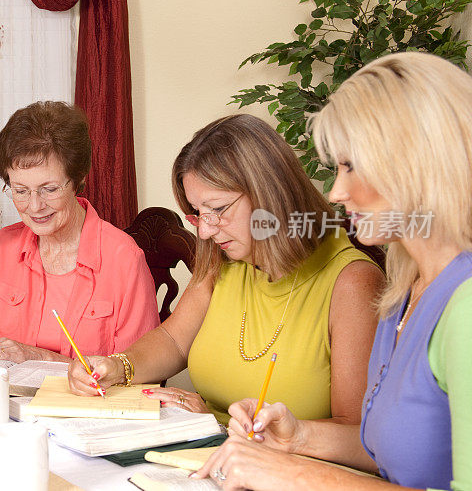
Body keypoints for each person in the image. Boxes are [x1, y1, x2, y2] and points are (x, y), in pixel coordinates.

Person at [198, 52, 472, 490]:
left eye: (351, 166)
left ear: (418, 161)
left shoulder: (466, 308)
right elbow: (398, 450)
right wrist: (298, 438)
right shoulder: (403, 293)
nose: (337, 191)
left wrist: (297, 474)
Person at [68, 113, 384, 426]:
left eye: (218, 209)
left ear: (270, 193)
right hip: (211, 452)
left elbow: (358, 433)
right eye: (198, 212)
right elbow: (173, 339)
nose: (204, 231)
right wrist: (119, 365)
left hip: (286, 468)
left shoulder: (352, 282)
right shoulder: (224, 259)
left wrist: (223, 431)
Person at [0, 101, 159, 363]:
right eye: (20, 191)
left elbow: (137, 374)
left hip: (85, 405)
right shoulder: (6, 247)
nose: (35, 206)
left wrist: (39, 357)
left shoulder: (124, 259)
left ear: (77, 179)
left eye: (50, 189)